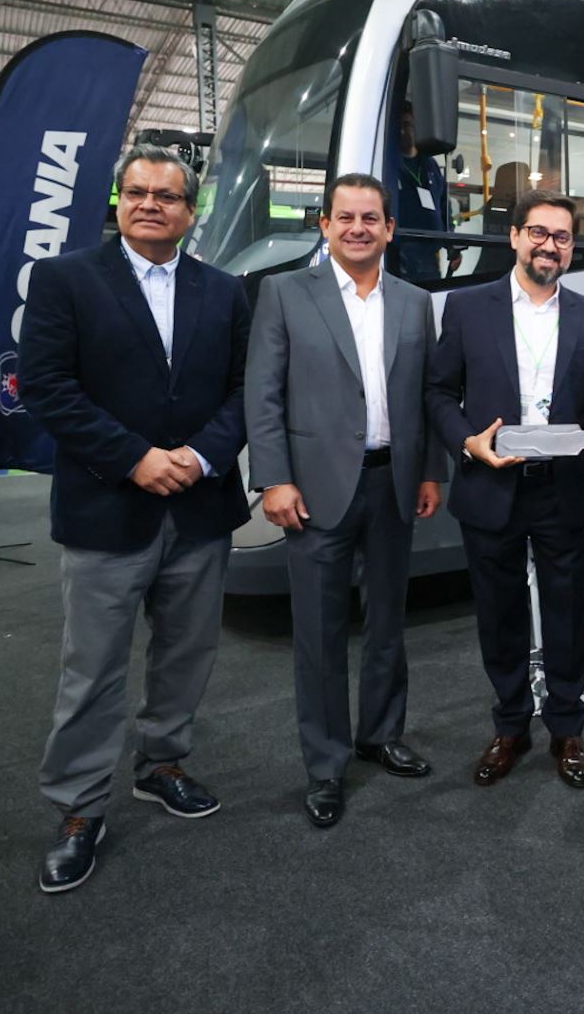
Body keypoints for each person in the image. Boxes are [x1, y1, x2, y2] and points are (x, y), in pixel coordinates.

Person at [19, 144, 251, 894]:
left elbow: (247, 390)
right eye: (138, 192)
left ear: (190, 212)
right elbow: (48, 389)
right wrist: (135, 458)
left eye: (168, 196)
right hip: (106, 506)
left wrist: (199, 456)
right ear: (117, 201)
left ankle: (162, 764)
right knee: (91, 671)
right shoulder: (64, 281)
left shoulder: (226, 291)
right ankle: (80, 809)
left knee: (187, 655)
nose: (151, 204)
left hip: (201, 506)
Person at [246, 172, 449, 829]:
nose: (358, 227)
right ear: (325, 225)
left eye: (371, 218)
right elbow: (264, 393)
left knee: (388, 621)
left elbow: (428, 395)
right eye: (345, 217)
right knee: (320, 634)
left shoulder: (416, 302)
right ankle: (327, 764)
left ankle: (380, 733)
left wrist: (430, 473)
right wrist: (273, 478)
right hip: (313, 490)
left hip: (392, 484)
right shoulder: (282, 294)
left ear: (390, 229)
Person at [425, 190, 584, 790]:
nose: (548, 245)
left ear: (571, 248)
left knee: (567, 613)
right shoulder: (466, 307)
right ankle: (509, 725)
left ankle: (565, 726)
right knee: (499, 614)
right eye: (538, 232)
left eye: (561, 237)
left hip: (562, 489)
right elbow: (438, 394)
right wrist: (466, 442)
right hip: (490, 484)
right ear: (513, 237)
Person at [393, 102, 454, 280]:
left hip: (430, 261)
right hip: (400, 259)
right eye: (400, 127)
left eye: (408, 125)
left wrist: (451, 245)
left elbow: (444, 207)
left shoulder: (431, 165)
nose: (404, 131)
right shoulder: (389, 163)